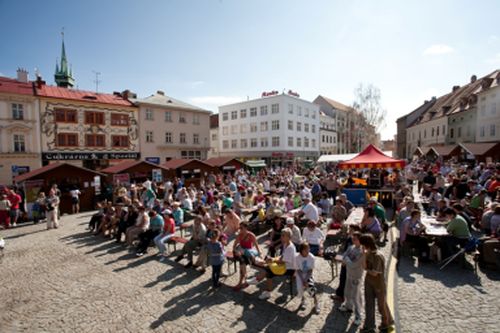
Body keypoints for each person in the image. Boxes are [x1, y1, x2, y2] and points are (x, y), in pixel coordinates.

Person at [247, 228, 296, 300]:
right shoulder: (286, 244)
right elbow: (282, 256)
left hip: (288, 268)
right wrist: (273, 259)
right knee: (268, 270)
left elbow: (283, 261)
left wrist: (272, 260)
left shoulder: (290, 248)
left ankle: (258, 281)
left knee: (268, 269)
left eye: (283, 236)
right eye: (281, 235)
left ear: (289, 237)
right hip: (284, 266)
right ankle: (264, 288)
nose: (281, 237)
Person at [360, 233, 394, 333]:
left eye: (363, 245)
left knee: (381, 305)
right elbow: (364, 266)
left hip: (379, 284)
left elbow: (374, 273)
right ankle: (369, 325)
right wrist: (364, 255)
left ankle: (386, 323)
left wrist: (366, 269)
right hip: (369, 283)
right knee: (369, 305)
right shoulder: (368, 253)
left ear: (366, 245)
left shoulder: (378, 256)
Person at [338, 231, 364, 326]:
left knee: (356, 296)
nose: (353, 240)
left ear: (360, 240)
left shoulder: (362, 251)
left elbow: (354, 264)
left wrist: (347, 261)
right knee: (347, 291)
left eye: (355, 239)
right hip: (349, 274)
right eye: (352, 239)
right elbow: (344, 255)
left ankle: (358, 315)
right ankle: (348, 306)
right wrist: (347, 260)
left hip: (356, 276)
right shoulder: (351, 247)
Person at [232, 222, 262, 291]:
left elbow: (256, 245)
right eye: (240, 228)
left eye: (241, 228)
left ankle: (242, 281)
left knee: (243, 262)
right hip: (239, 252)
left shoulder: (251, 235)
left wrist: (259, 253)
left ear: (246, 228)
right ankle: (245, 280)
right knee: (242, 260)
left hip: (246, 253)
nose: (240, 229)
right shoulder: (239, 235)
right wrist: (236, 251)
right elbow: (234, 246)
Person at [295, 242, 320, 314]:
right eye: (306, 250)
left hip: (308, 274)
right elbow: (298, 269)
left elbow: (310, 270)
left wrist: (306, 280)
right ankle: (303, 300)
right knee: (300, 288)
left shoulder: (311, 257)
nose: (308, 251)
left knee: (311, 288)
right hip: (300, 274)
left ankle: (316, 303)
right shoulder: (297, 257)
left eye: (308, 249)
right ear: (301, 250)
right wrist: (302, 280)